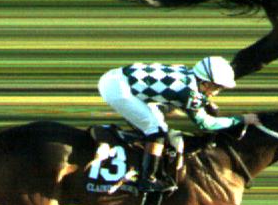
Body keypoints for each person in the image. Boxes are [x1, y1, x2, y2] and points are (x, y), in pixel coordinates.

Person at [97, 56, 259, 194]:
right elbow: (206, 124)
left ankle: (139, 150)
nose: (216, 92)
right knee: (157, 131)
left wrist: (206, 102)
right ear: (205, 83)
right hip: (118, 90)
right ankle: (147, 180)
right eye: (217, 87)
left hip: (116, 77)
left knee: (159, 123)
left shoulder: (188, 73)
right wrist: (241, 119)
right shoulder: (190, 94)